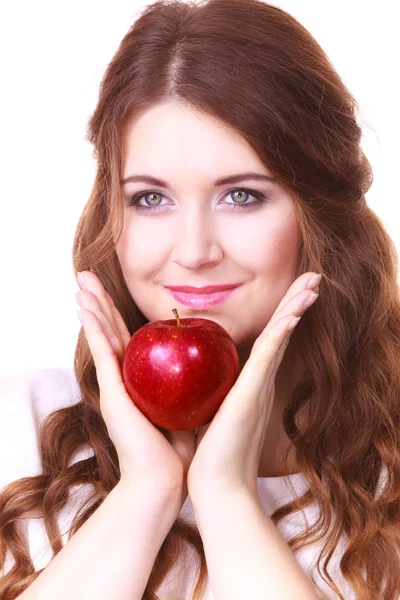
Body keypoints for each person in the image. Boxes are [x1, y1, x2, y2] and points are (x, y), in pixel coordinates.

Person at [1, 0, 399, 598]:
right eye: (150, 199)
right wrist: (147, 491)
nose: (192, 251)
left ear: (320, 212)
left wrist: (226, 496)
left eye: (241, 196)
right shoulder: (25, 424)